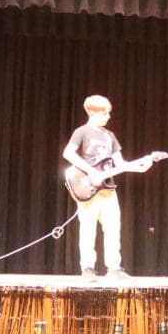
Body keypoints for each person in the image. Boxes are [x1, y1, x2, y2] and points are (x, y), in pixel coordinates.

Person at [62, 95, 150, 279]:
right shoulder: (82, 131)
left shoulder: (110, 136)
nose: (108, 116)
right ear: (92, 113)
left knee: (113, 227)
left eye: (108, 113)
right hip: (89, 186)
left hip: (108, 188)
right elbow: (68, 153)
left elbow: (121, 164)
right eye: (104, 113)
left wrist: (140, 168)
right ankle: (87, 268)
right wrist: (90, 171)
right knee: (88, 228)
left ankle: (114, 268)